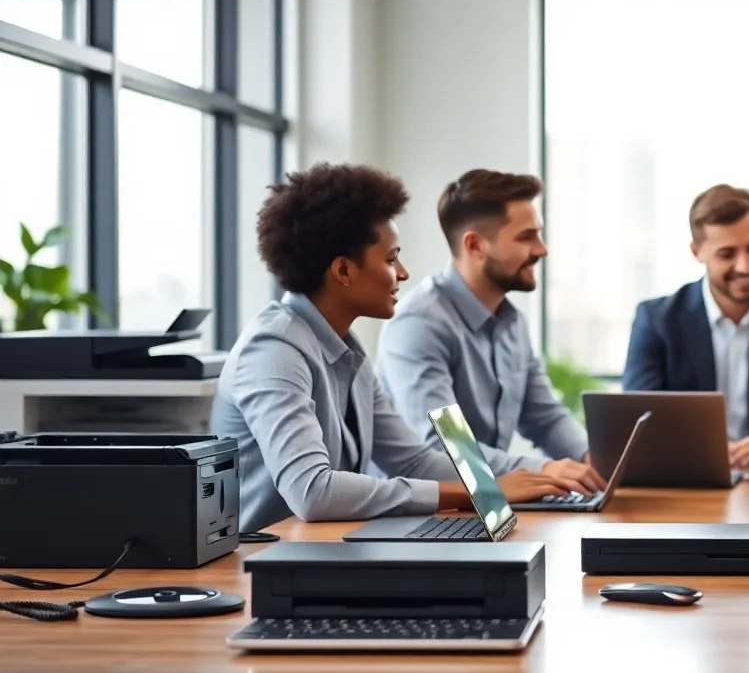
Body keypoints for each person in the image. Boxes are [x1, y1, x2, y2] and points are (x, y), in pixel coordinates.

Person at [212, 163, 579, 533]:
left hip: (321, 547)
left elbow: (415, 460)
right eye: (390, 259)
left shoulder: (349, 351)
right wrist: (480, 490)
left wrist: (504, 483)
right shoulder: (275, 348)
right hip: (262, 557)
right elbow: (313, 490)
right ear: (343, 271)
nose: (403, 273)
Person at [376, 169, 605, 495]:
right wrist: (543, 470)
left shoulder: (512, 322)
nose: (541, 249)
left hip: (489, 503)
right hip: (422, 512)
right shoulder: (420, 324)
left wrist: (592, 459)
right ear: (476, 245)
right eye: (526, 237)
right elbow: (447, 447)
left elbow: (544, 417)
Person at [622, 184, 749, 473]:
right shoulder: (657, 321)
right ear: (697, 251)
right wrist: (708, 454)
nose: (745, 265)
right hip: (687, 481)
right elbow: (637, 428)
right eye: (727, 254)